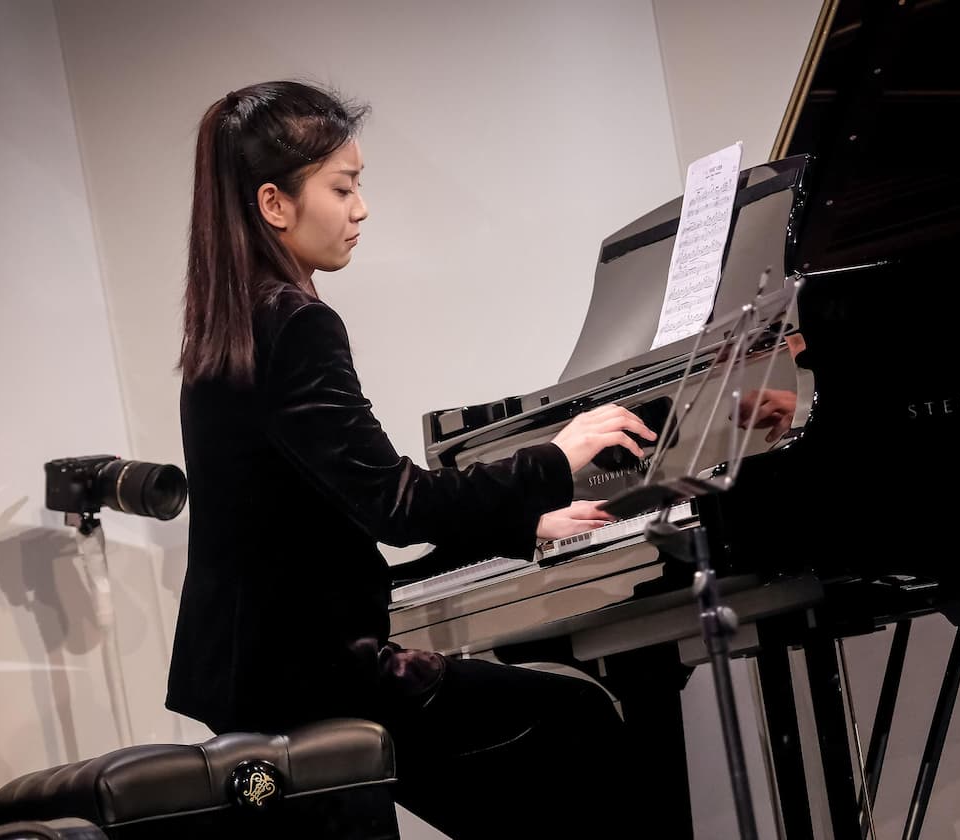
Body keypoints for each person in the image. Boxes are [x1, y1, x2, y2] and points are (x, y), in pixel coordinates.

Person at [167, 80, 661, 839]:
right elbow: (399, 508)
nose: (361, 208)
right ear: (275, 204)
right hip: (319, 684)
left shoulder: (226, 330)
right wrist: (554, 458)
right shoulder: (297, 325)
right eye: (344, 186)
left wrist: (519, 526)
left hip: (259, 677)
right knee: (577, 715)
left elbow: (333, 515)